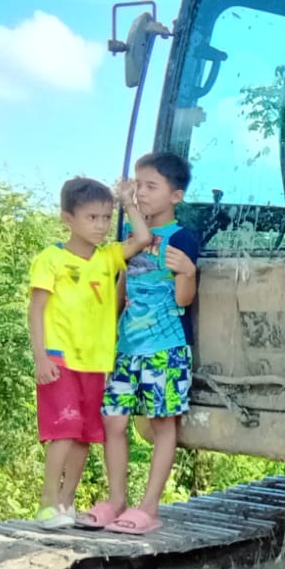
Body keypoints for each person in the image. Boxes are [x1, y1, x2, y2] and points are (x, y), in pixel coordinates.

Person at [78, 152, 201, 535]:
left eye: (151, 186)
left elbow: (183, 300)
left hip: (166, 347)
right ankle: (116, 500)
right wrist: (107, 327)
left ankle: (149, 508)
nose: (142, 193)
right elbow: (122, 284)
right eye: (138, 185)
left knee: (163, 423)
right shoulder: (131, 236)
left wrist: (189, 272)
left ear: (175, 196)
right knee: (113, 420)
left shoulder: (181, 238)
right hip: (126, 347)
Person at [27, 176, 152, 529]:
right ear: (68, 218)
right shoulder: (51, 259)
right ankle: (47, 503)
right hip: (60, 358)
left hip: (96, 363)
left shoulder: (108, 257)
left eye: (105, 217)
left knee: (84, 434)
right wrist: (41, 357)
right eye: (91, 217)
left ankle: (66, 502)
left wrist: (128, 201)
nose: (100, 225)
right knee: (64, 430)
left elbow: (143, 238)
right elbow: (36, 310)